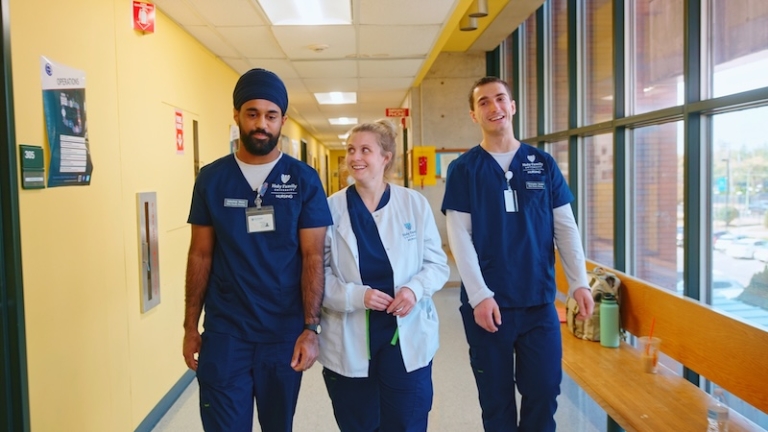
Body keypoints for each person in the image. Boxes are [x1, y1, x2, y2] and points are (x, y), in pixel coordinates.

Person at [440, 76, 595, 432]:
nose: (494, 107)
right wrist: (479, 295)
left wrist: (579, 284)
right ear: (473, 114)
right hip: (488, 307)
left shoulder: (541, 164)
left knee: (544, 391)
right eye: (484, 102)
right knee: (496, 403)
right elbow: (459, 236)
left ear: (512, 106)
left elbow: (565, 228)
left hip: (538, 302)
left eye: (500, 99)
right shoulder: (464, 169)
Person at [182, 68, 332, 432]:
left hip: (283, 332)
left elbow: (314, 257)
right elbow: (199, 254)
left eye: (271, 115)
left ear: (282, 119)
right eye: (252, 113)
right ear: (236, 116)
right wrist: (190, 325)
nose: (261, 123)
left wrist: (311, 329)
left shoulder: (303, 180)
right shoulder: (213, 179)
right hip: (225, 331)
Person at [318, 119, 450, 432]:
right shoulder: (329, 209)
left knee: (406, 422)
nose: (355, 157)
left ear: (385, 157)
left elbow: (437, 264)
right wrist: (355, 295)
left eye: (366, 149)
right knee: (358, 424)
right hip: (349, 335)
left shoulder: (413, 204)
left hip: (404, 335)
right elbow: (317, 275)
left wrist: (414, 290)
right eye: (351, 150)